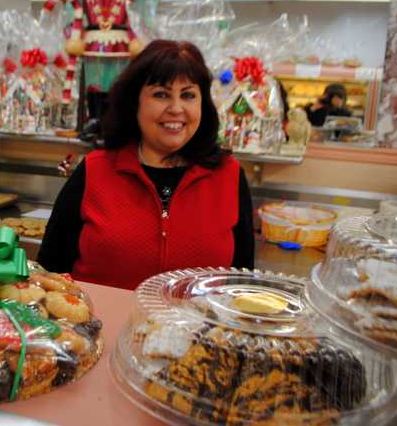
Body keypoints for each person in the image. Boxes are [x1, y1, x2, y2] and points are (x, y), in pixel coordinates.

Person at [37, 40, 255, 290]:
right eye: (161, 94)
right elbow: (49, 275)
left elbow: (242, 285)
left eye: (188, 95)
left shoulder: (229, 176)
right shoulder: (94, 171)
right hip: (99, 327)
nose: (176, 108)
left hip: (200, 330)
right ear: (135, 102)